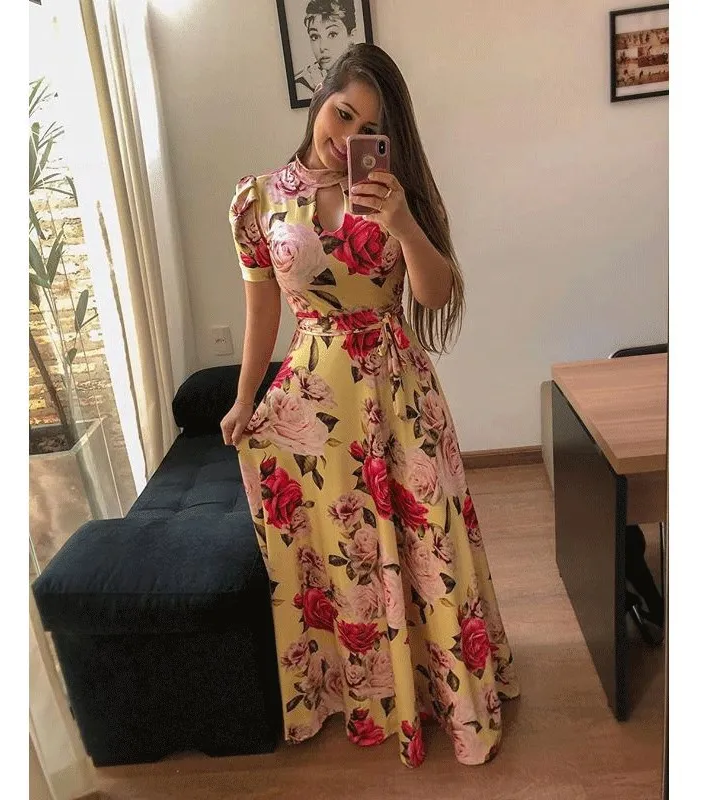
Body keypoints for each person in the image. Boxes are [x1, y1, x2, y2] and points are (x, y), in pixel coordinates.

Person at [222, 43, 519, 768]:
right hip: (316, 402)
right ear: (319, 99)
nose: (348, 136)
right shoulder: (257, 200)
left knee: (427, 538)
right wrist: (245, 398)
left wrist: (404, 223)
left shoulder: (394, 192)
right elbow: (263, 310)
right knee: (348, 552)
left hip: (398, 392)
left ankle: (447, 692)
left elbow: (435, 295)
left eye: (369, 129)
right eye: (342, 113)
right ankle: (371, 694)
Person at [294, 0, 357, 98]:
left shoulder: (365, 75)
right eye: (315, 36)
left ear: (352, 36)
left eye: (332, 34)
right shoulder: (302, 85)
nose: (322, 47)